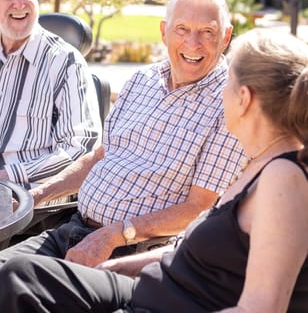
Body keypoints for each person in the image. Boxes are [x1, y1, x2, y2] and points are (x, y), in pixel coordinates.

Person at [0, 28, 306, 313]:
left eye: (227, 84)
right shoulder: (259, 164)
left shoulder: (284, 179)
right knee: (19, 275)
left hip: (165, 303)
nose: (220, 94)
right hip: (153, 283)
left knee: (18, 284)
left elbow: (261, 307)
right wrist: (116, 269)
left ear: (244, 99)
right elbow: (196, 256)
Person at [0, 0, 243, 265]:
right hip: (72, 227)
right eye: (182, 29)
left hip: (131, 251)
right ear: (164, 32)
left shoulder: (229, 105)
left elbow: (198, 208)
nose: (193, 43)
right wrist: (33, 196)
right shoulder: (143, 80)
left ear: (225, 37)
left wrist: (115, 235)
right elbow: (100, 157)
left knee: (12, 284)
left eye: (207, 32)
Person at [0, 0, 101, 188]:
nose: (19, 4)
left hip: (26, 196)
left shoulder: (66, 63)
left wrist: (8, 177)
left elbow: (81, 148)